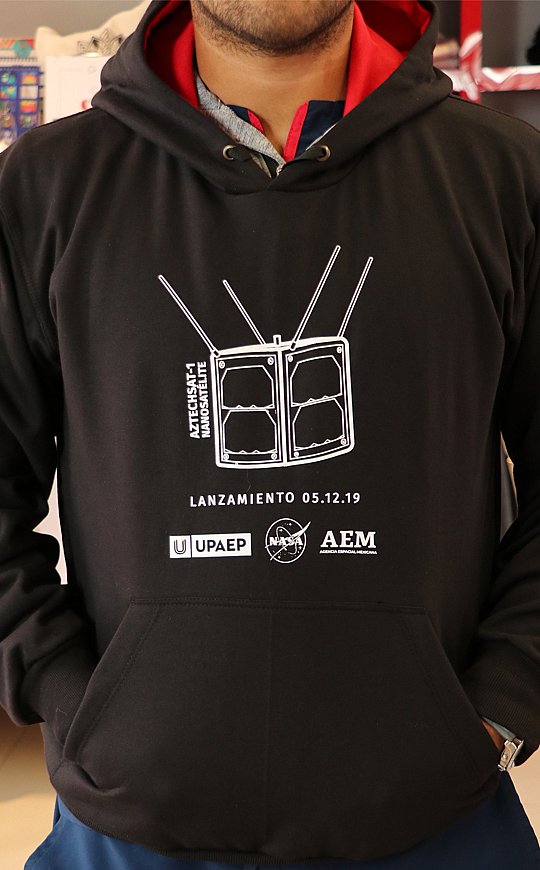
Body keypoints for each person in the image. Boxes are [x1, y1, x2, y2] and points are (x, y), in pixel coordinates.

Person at [0, 0, 539, 867]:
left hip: (441, 818)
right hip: (126, 827)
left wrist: (500, 706)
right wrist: (71, 702)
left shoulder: (505, 176)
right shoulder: (44, 185)